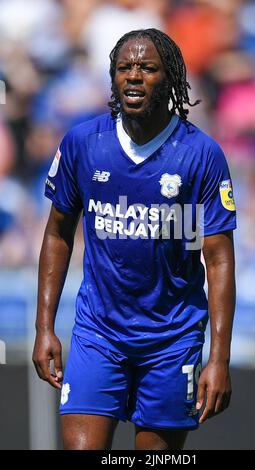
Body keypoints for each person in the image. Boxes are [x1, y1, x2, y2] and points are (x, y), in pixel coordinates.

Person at [32, 28, 237, 450]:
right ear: (112, 78)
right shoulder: (83, 143)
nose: (134, 76)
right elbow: (57, 235)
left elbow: (218, 261)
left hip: (171, 337)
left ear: (171, 78)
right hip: (97, 332)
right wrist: (44, 327)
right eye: (124, 68)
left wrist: (219, 358)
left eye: (147, 68)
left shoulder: (200, 154)